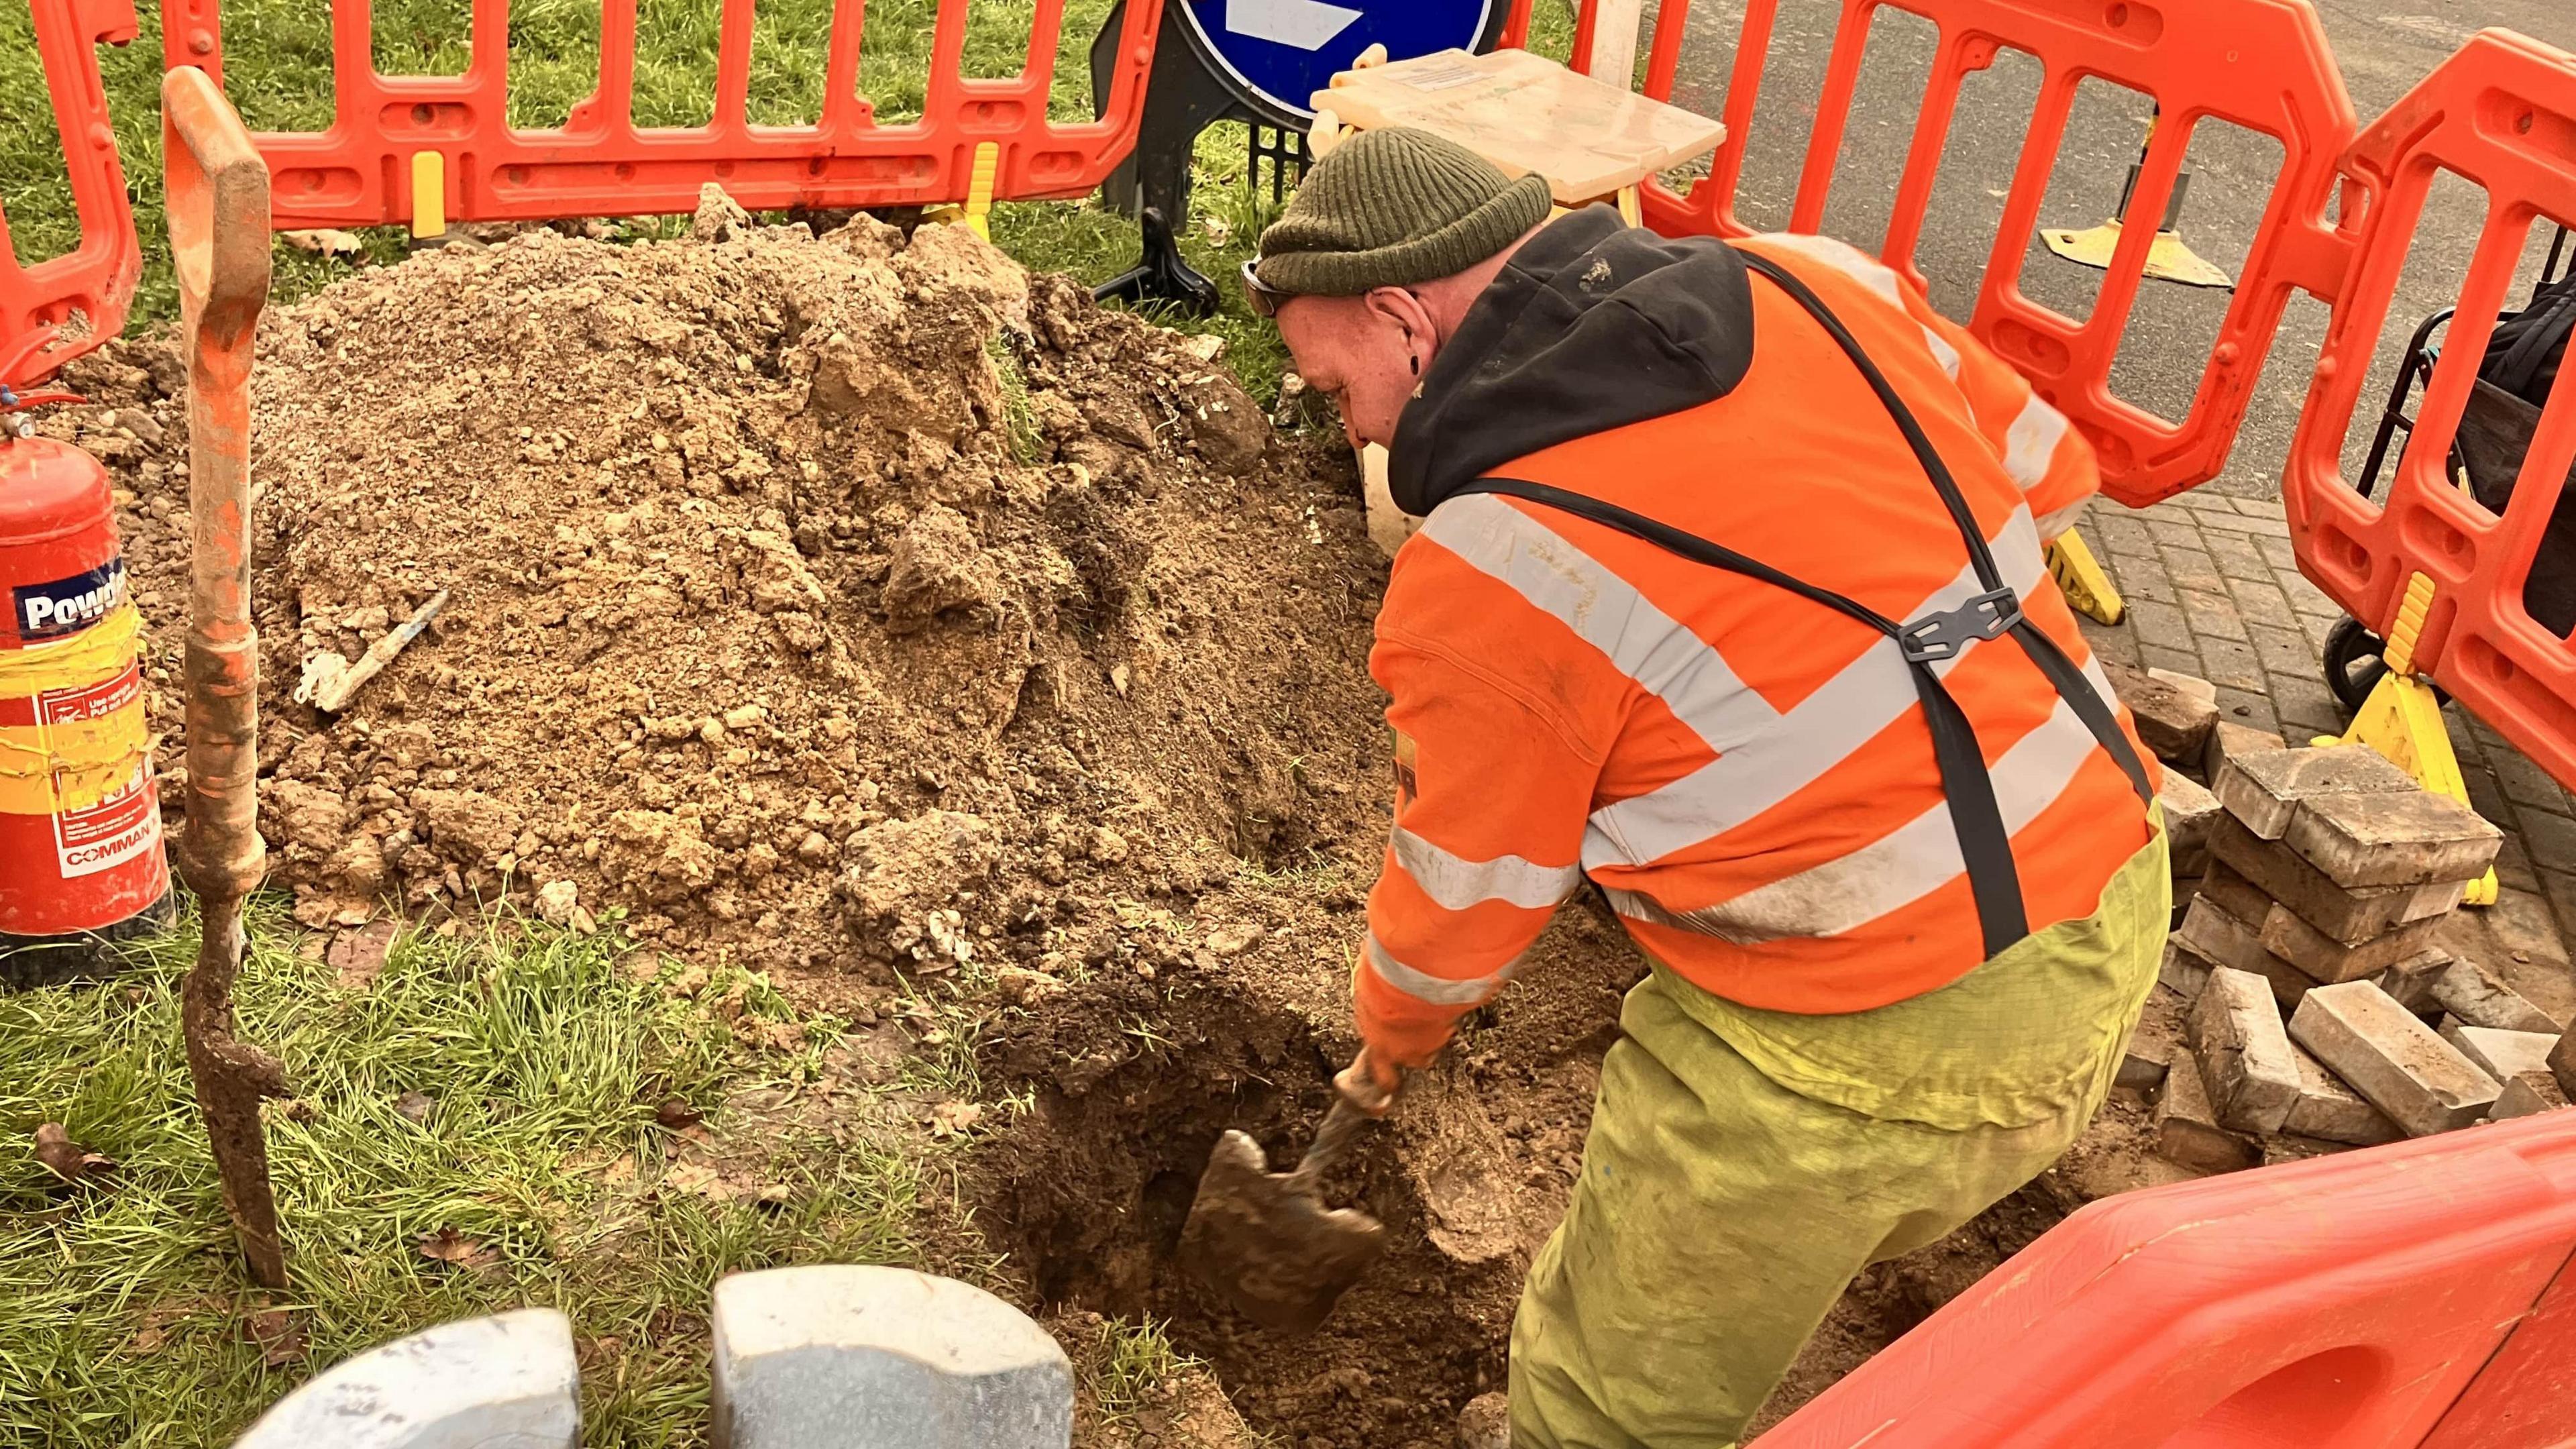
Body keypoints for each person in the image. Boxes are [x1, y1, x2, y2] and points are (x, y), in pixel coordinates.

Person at [1241, 127, 2168, 1448]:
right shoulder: (1818, 276)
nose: (1362, 430)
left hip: (1861, 1058)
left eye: (1340, 391)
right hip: (2121, 895)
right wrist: (1900, 652)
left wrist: (1390, 1042)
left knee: (1605, 1402)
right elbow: (2050, 485)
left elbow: (1470, 902)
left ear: (1403, 320)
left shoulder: (1495, 568)